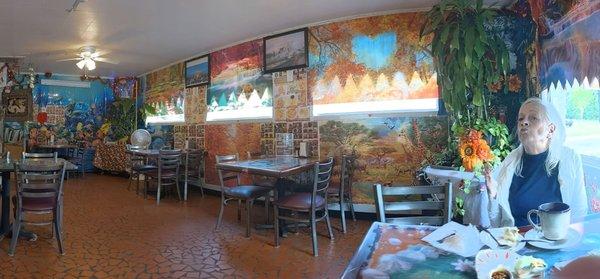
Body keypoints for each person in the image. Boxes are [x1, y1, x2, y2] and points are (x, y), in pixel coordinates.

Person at [485, 97, 588, 227]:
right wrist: (493, 196)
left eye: (533, 118)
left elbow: (579, 213)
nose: (524, 123)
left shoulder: (570, 159)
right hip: (518, 244)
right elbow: (497, 224)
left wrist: (568, 244)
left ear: (550, 130)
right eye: (521, 119)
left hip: (556, 241)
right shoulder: (509, 163)